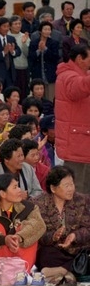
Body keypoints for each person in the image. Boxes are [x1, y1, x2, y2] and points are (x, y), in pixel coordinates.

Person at [0, 174, 47, 286]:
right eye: (15, 187)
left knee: (27, 228)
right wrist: (3, 239)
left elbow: (39, 225)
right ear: (3, 194)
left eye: (18, 186)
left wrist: (19, 236)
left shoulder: (29, 207)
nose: (20, 190)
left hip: (19, 253)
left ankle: (24, 272)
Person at [32, 166, 90, 286]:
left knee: (85, 255)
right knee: (45, 255)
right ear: (53, 188)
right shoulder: (38, 203)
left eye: (72, 184)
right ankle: (73, 269)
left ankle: (61, 271)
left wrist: (75, 235)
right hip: (53, 249)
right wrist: (53, 236)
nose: (71, 189)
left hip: (78, 248)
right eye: (66, 186)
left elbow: (87, 227)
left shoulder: (81, 200)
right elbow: (36, 233)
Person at [55, 44, 90, 194]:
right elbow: (79, 88)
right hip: (76, 143)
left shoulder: (80, 75)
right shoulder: (68, 76)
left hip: (82, 141)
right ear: (79, 59)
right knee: (78, 191)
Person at [29, 21, 60, 102]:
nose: (47, 31)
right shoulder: (34, 43)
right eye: (45, 29)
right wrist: (38, 50)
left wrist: (46, 49)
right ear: (40, 31)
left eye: (49, 29)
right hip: (37, 74)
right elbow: (31, 57)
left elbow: (55, 57)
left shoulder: (54, 43)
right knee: (37, 100)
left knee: (50, 99)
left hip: (50, 74)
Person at [0, 17, 21, 88]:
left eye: (8, 26)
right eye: (4, 26)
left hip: (10, 73)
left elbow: (19, 51)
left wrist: (13, 52)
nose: (6, 29)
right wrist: (3, 52)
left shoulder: (11, 38)